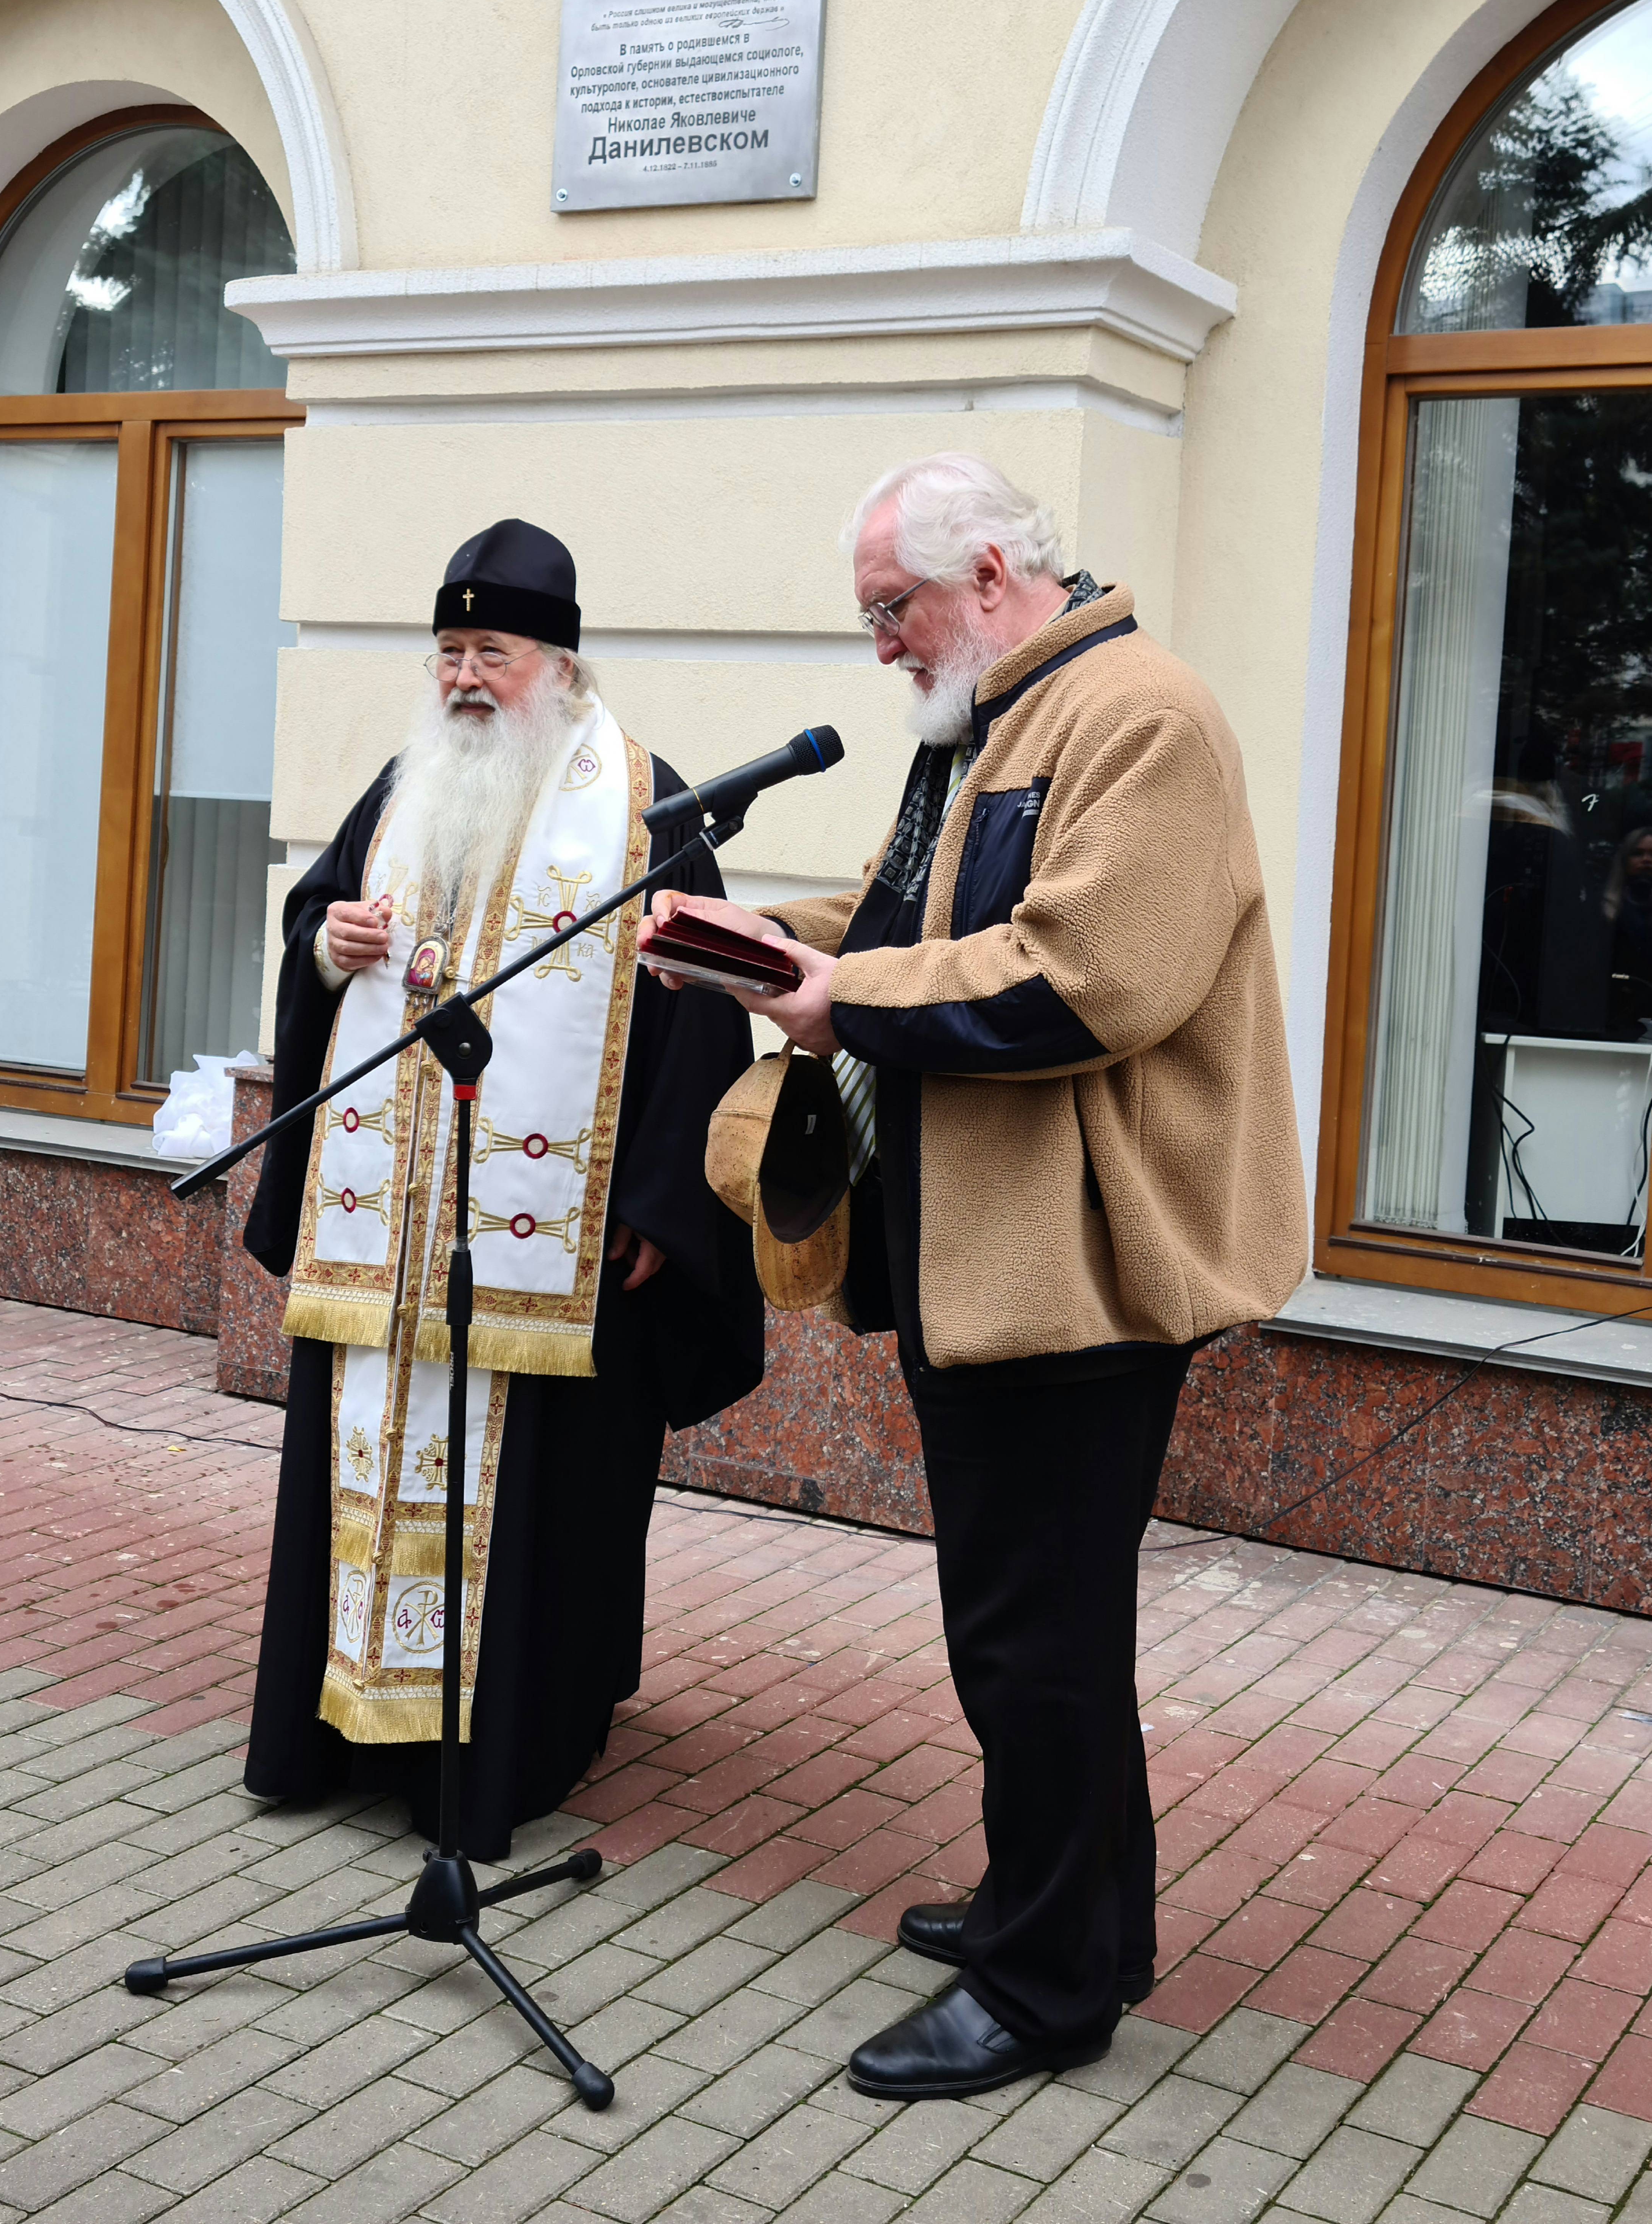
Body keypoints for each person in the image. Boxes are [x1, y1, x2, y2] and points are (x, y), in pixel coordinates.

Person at [641, 455, 1308, 2100]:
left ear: (992, 571)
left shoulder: (1138, 715)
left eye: (894, 607)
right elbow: (902, 918)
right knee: (1036, 1625)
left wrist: (837, 999)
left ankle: (1041, 1986)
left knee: (1032, 1638)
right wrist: (740, 938)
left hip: (1077, 1268)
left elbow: (1084, 977)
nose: (878, 642)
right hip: (983, 1250)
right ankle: (1070, 1912)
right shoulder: (987, 721)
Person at [243, 517, 764, 1859]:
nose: (465, 678)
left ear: (560, 664)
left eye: (493, 652)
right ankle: (335, 1725)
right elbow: (317, 921)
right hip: (390, 1243)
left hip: (545, 1251)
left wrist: (657, 1201)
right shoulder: (401, 790)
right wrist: (325, 943)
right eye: (450, 652)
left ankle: (495, 1755)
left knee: (535, 1498)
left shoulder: (641, 806)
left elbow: (702, 1005)